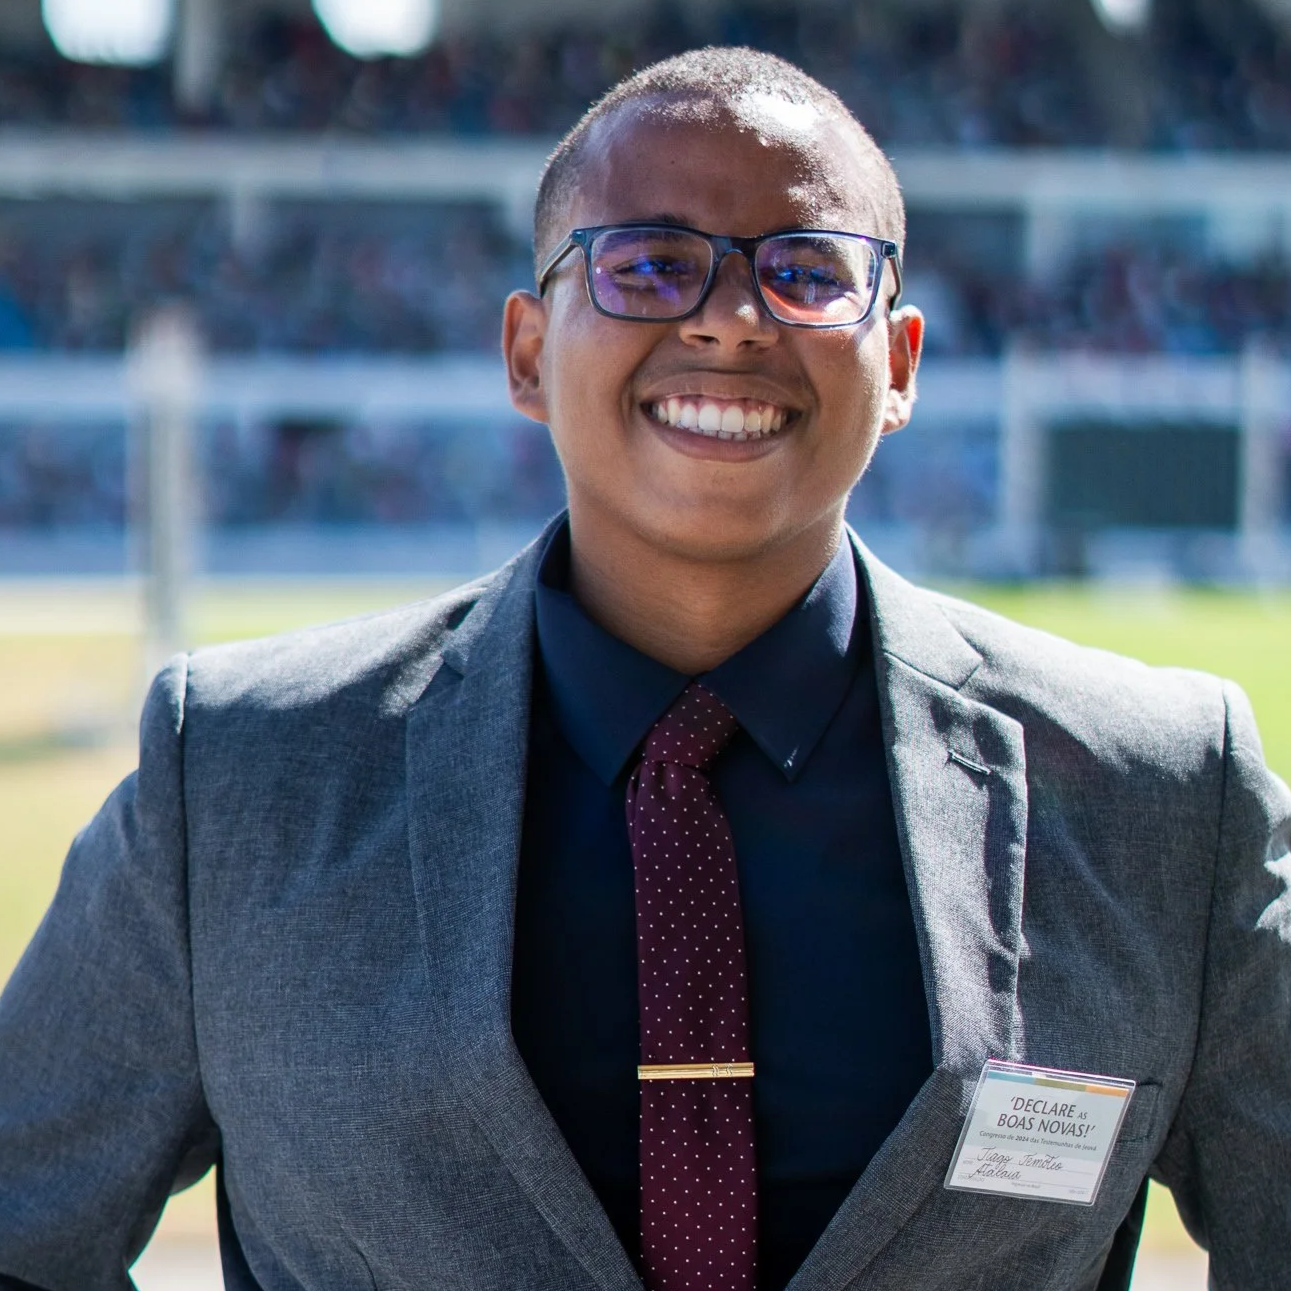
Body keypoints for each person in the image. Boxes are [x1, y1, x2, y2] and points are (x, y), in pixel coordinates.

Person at [1, 46, 1288, 1291]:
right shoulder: (233, 773)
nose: (728, 321)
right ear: (525, 353)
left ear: (896, 366)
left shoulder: (1166, 792)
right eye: (648, 263)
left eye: (804, 270)